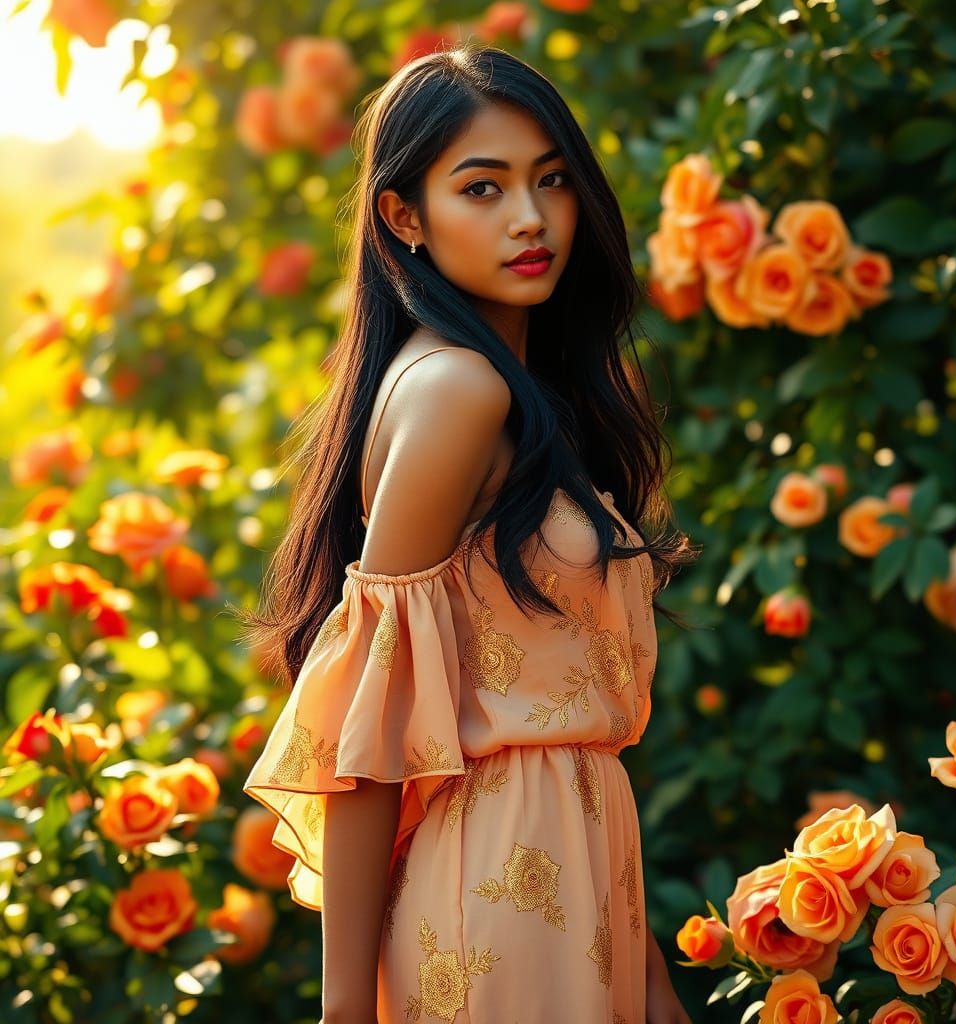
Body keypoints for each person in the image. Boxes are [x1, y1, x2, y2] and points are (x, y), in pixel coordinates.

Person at [236, 42, 696, 1024]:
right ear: (404, 217)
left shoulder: (509, 395)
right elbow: (370, 727)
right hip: (496, 907)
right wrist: (344, 1010)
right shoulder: (458, 390)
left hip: (575, 890)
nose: (530, 218)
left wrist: (648, 976)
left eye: (551, 181)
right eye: (481, 188)